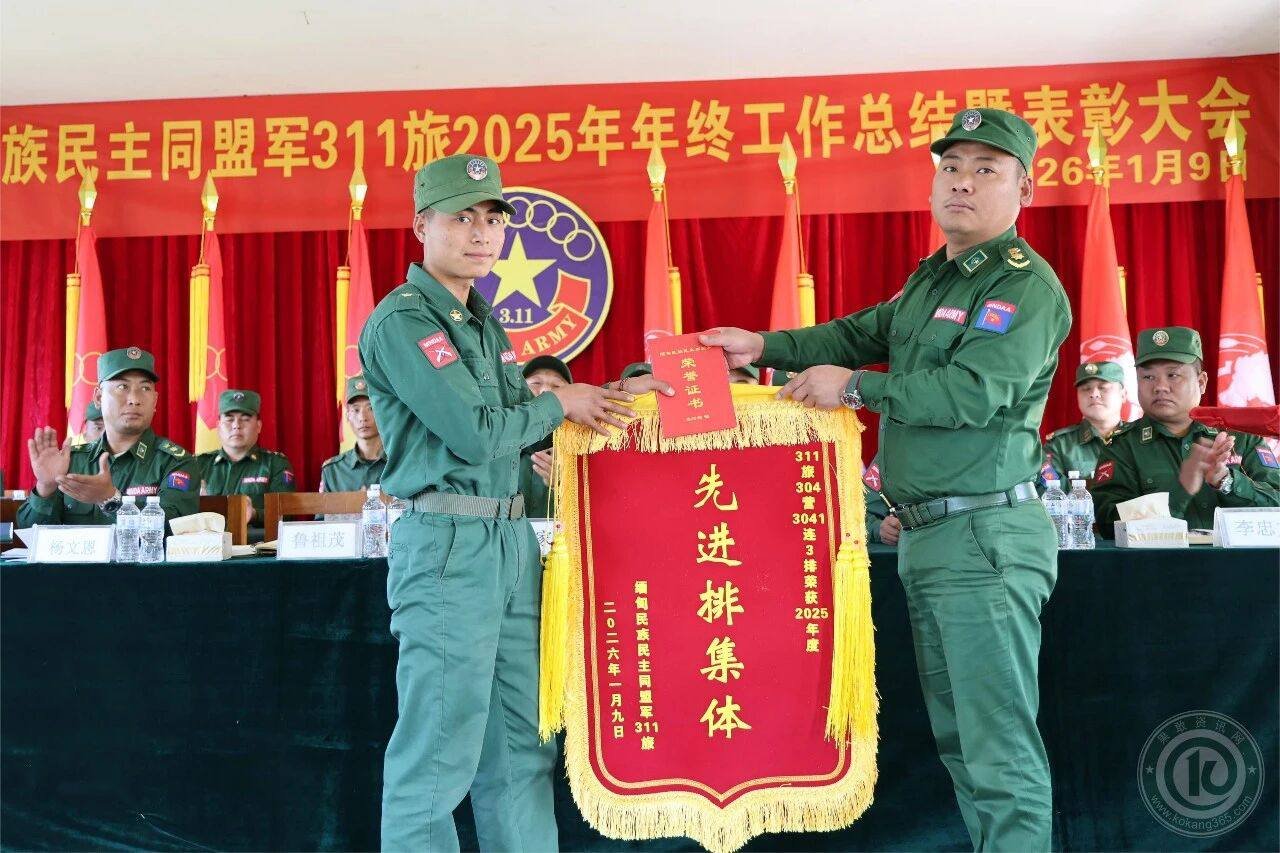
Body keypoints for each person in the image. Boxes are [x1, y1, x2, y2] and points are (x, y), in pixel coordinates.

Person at [701, 108, 1070, 851]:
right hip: (931, 535)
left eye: (986, 170)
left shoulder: (1024, 287)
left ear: (1024, 190)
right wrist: (762, 344)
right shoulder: (934, 277)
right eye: (951, 167)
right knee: (963, 743)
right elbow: (855, 334)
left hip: (985, 538)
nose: (962, 182)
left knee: (997, 748)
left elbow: (972, 393)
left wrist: (854, 389)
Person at [357, 153, 671, 851]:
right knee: (438, 752)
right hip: (447, 542)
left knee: (523, 745)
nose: (481, 233)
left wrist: (599, 402)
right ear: (421, 226)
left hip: (508, 541)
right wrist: (561, 404)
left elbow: (516, 422)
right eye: (461, 217)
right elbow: (475, 434)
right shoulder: (405, 321)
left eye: (493, 219)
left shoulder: (480, 320)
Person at [1092, 326, 1279, 531]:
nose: (1160, 387)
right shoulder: (1121, 447)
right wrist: (1180, 491)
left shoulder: (1241, 438)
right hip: (1162, 554)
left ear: (1201, 382)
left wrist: (1226, 482)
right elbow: (1109, 524)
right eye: (1148, 377)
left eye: (1173, 375)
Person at [19, 347, 199, 532]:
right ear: (98, 397)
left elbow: (175, 528)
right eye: (122, 387)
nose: (134, 399)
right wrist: (46, 487)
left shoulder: (175, 462)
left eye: (145, 388)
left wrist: (111, 499)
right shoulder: (71, 462)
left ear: (155, 401)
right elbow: (29, 532)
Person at [196, 390, 296, 530]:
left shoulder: (275, 464)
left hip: (259, 543)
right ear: (218, 426)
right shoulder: (198, 465)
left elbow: (287, 515)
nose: (236, 425)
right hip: (210, 542)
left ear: (258, 426)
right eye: (229, 419)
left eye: (245, 419)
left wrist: (255, 514)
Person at [1040, 360, 1127, 483]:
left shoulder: (1139, 438)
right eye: (1086, 389)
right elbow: (1050, 489)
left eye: (1103, 387)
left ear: (1123, 395)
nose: (1094, 394)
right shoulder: (1059, 445)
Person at [518, 355, 572, 518]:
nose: (546, 391)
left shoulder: (582, 453)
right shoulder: (497, 444)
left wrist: (563, 485)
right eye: (536, 383)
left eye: (557, 386)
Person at [320, 375, 387, 492]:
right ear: (347, 416)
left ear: (382, 413)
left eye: (371, 408)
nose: (362, 418)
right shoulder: (334, 471)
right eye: (356, 410)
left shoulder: (399, 465)